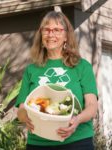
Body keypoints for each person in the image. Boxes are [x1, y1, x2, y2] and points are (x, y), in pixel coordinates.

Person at [15, 10, 98, 150]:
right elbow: (21, 108)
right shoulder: (31, 70)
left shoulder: (82, 67)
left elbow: (92, 106)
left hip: (77, 142)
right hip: (38, 143)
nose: (51, 34)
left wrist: (76, 120)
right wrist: (26, 117)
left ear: (66, 36)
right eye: (46, 30)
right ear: (41, 35)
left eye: (57, 30)